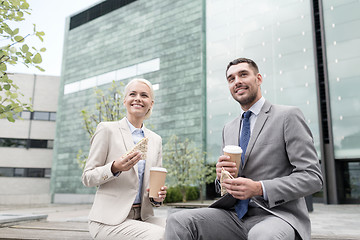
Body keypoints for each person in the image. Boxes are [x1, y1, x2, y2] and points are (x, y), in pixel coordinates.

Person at [165, 58, 323, 240]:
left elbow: (312, 177)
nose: (237, 81)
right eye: (231, 79)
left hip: (277, 215)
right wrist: (221, 177)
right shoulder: (229, 128)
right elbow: (226, 186)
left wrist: (259, 188)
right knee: (178, 221)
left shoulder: (287, 116)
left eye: (243, 74)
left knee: (262, 236)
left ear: (259, 79)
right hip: (234, 216)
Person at [82, 78, 167, 239]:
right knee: (161, 236)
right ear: (125, 100)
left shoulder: (156, 140)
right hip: (108, 220)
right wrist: (114, 167)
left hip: (143, 217)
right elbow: (87, 178)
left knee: (185, 228)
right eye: (132, 94)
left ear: (151, 103)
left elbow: (154, 188)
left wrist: (157, 198)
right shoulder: (106, 130)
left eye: (144, 95)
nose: (138, 98)